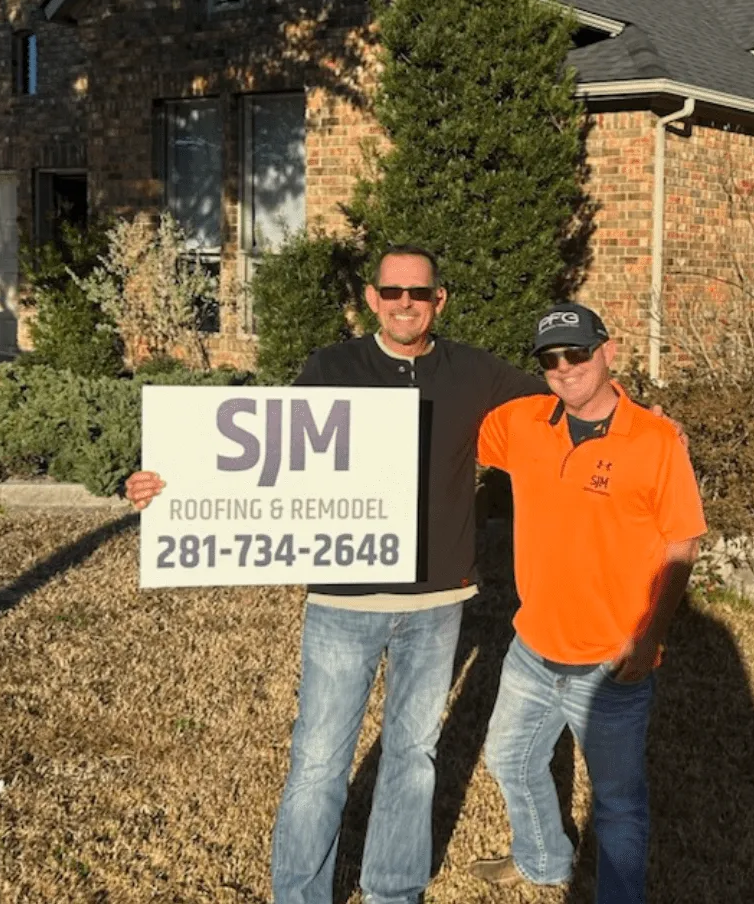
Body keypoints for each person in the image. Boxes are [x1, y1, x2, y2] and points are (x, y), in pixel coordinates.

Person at [124, 244, 545, 904]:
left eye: (419, 293)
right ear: (373, 299)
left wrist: (640, 423)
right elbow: (272, 457)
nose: (405, 303)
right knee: (319, 761)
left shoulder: (473, 370)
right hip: (344, 601)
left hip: (437, 601)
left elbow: (564, 399)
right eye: (392, 291)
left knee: (413, 757)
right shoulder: (332, 367)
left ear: (439, 301)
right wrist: (167, 484)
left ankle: (393, 891)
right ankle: (300, 895)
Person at [467, 302, 707, 904]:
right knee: (509, 758)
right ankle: (543, 861)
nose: (565, 368)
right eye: (550, 359)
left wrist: (648, 639)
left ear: (608, 352)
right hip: (532, 647)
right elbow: (447, 428)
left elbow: (682, 542)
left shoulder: (655, 441)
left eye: (577, 353)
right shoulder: (522, 423)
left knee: (617, 804)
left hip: (611, 662)